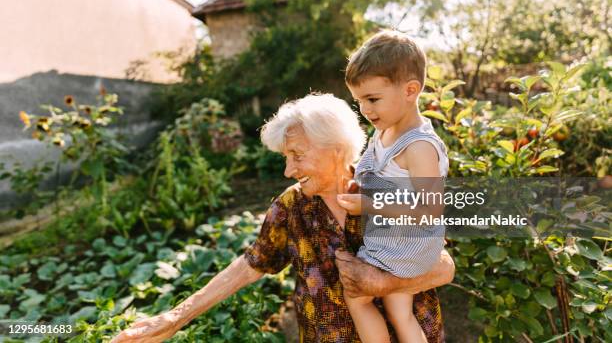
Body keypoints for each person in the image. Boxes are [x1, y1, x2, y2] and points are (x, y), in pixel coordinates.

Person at [111, 93, 454, 343]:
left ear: (335, 148)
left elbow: (444, 266)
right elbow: (251, 264)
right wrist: (174, 318)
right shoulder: (291, 209)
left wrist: (383, 283)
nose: (288, 170)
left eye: (297, 155)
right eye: (285, 157)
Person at [338, 30, 449, 343]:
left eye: (373, 99)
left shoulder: (418, 147)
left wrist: (368, 205)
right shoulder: (385, 131)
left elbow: (430, 212)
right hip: (398, 238)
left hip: (409, 243)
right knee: (400, 311)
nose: (366, 110)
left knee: (356, 296)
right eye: (359, 101)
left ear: (410, 90)